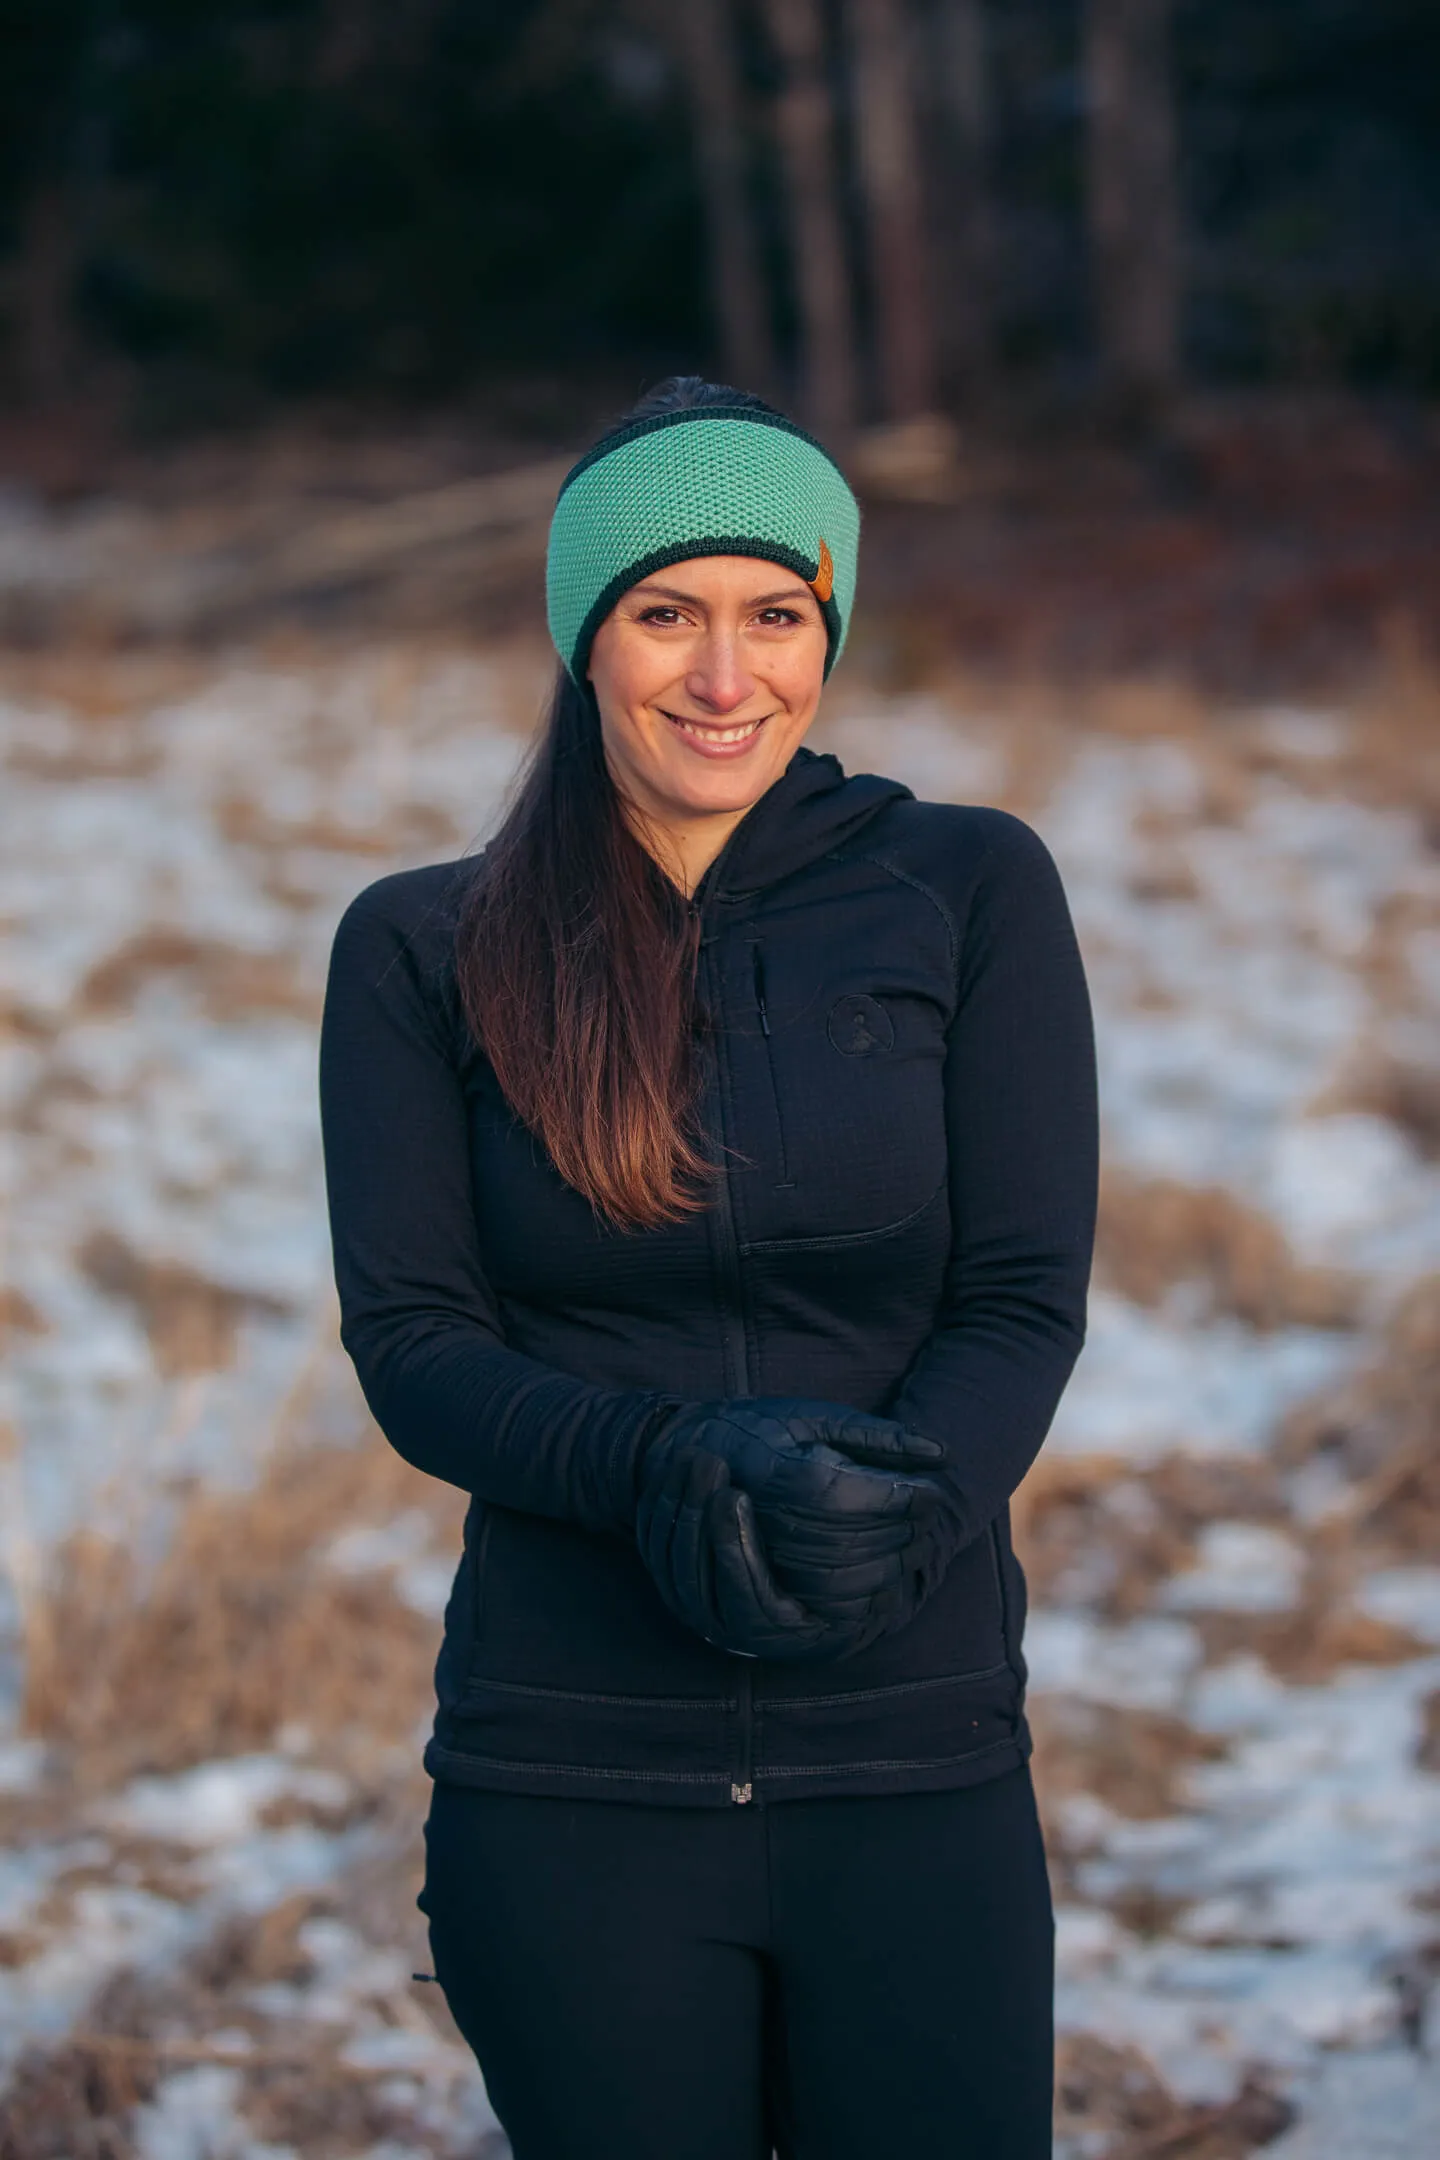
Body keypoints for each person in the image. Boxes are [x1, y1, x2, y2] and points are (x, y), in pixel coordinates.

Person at [318, 376, 1098, 2159]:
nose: (724, 676)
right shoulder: (425, 947)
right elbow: (414, 1341)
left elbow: (1022, 1296)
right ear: (584, 639)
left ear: (831, 630)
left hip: (913, 1755)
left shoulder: (970, 888)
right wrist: (665, 1463)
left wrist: (891, 1510)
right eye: (666, 615)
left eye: (777, 615)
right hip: (572, 1771)